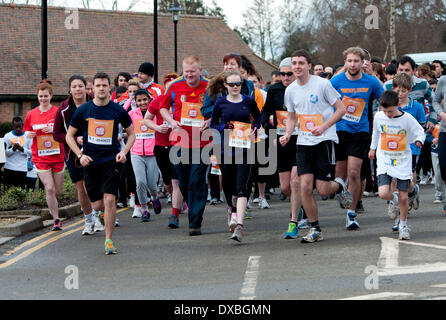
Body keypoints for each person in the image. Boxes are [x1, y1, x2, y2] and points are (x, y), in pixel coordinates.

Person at [279, 49, 351, 243]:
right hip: (303, 142)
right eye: (294, 63)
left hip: (324, 140)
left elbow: (341, 109)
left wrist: (324, 126)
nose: (297, 67)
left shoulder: (323, 84)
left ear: (309, 65)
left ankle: (340, 185)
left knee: (323, 189)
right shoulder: (291, 90)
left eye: (301, 63)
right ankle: (315, 228)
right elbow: (292, 117)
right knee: (304, 186)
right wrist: (287, 134)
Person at [66, 72, 135, 255]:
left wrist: (123, 152)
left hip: (111, 160)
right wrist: (80, 155)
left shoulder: (117, 110)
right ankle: (104, 212)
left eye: (105, 85)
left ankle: (109, 240)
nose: (101, 89)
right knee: (97, 205)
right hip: (90, 162)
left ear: (109, 88)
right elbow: (69, 136)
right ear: (93, 89)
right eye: (98, 86)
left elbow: (132, 134)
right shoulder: (84, 110)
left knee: (110, 199)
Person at [330, 47, 384, 229]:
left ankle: (351, 213)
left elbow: (385, 101)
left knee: (354, 173)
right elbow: (324, 103)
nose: (353, 65)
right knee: (340, 175)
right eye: (349, 61)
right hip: (339, 131)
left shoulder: (371, 82)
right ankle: (343, 193)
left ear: (363, 63)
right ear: (345, 62)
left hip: (360, 132)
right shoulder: (336, 81)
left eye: (356, 61)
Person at [159, 56, 209, 236]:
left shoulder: (209, 87)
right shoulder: (174, 86)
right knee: (183, 180)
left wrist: (210, 120)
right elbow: (162, 108)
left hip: (202, 142)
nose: (189, 75)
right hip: (180, 141)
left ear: (200, 70)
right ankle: (192, 208)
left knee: (197, 179)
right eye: (186, 72)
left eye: (192, 72)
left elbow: (218, 108)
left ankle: (195, 221)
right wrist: (171, 121)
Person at [211, 70, 261, 242]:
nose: (235, 87)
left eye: (238, 84)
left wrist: (254, 131)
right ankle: (231, 210)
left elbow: (258, 118)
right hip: (226, 150)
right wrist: (224, 128)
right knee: (229, 185)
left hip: (245, 149)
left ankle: (239, 226)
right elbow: (214, 124)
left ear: (242, 85)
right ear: (225, 85)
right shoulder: (220, 103)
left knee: (242, 187)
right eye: (231, 84)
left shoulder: (248, 101)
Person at [369, 91, 425, 240]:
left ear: (398, 105)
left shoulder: (407, 119)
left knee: (403, 198)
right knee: (383, 193)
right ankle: (400, 200)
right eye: (385, 110)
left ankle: (403, 225)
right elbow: (376, 133)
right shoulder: (379, 116)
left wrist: (419, 140)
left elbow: (420, 131)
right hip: (385, 160)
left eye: (391, 111)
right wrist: (372, 148)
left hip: (402, 161)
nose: (387, 114)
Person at [261, 57, 305, 239]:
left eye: (289, 74)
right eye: (283, 74)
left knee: (295, 183)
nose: (286, 77)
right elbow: (265, 112)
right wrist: (268, 125)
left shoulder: (302, 90)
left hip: (300, 140)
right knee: (286, 186)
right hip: (281, 141)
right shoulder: (274, 90)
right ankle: (301, 206)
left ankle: (293, 222)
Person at [53, 75, 103, 235]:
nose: (78, 89)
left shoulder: (95, 103)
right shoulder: (64, 108)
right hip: (74, 154)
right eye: (74, 86)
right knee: (81, 187)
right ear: (70, 89)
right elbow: (57, 134)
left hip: (96, 151)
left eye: (80, 86)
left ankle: (98, 215)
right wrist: (75, 139)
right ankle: (89, 220)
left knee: (93, 187)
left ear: (86, 87)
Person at [144, 72, 186, 228]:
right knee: (168, 181)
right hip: (161, 146)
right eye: (168, 85)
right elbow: (146, 120)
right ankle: (176, 198)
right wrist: (157, 127)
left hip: (179, 144)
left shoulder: (183, 100)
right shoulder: (157, 101)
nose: (171, 88)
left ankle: (175, 212)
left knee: (176, 180)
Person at [23, 80, 65, 231]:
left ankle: (55, 208)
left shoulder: (58, 112)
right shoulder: (31, 114)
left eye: (46, 96)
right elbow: (26, 131)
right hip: (40, 157)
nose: (43, 99)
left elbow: (65, 131)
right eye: (40, 96)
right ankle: (56, 219)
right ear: (37, 96)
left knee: (57, 190)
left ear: (51, 96)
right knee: (49, 188)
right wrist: (29, 134)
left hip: (57, 155)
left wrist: (53, 130)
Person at [391, 72, 425, 220]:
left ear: (409, 91)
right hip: (393, 149)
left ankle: (412, 191)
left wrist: (417, 140)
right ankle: (394, 204)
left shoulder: (416, 107)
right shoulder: (389, 106)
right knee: (393, 178)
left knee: (408, 178)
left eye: (403, 91)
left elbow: (421, 127)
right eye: (397, 90)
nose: (400, 94)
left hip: (411, 148)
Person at [128, 88, 161, 222]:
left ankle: (155, 197)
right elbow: (125, 126)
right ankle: (144, 209)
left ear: (149, 100)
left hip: (152, 153)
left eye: (145, 99)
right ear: (135, 101)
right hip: (136, 153)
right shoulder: (131, 114)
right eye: (139, 100)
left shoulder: (156, 114)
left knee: (152, 185)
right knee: (140, 182)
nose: (142, 103)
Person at [3, 117, 32, 189]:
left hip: (22, 169)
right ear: (13, 126)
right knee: (7, 190)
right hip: (9, 168)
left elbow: (32, 153)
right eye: (16, 127)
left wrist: (22, 149)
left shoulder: (28, 136)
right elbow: (4, 154)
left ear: (23, 125)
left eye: (20, 126)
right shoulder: (7, 136)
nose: (18, 129)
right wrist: (13, 149)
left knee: (21, 192)